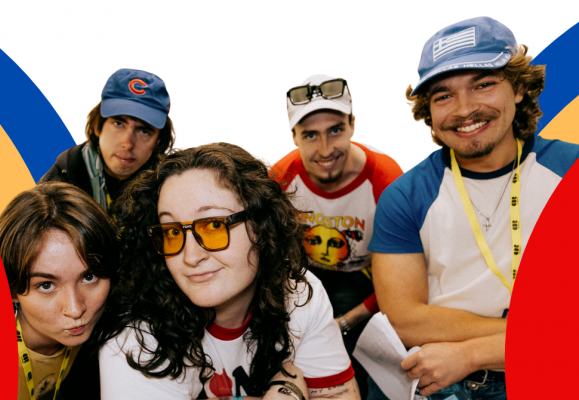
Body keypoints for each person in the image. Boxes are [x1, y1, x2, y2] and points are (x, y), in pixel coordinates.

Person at [367, 16, 579, 399]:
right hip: (439, 375)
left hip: (545, 366)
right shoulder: (405, 195)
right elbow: (404, 320)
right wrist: (543, 334)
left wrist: (473, 353)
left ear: (518, 88)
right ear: (428, 111)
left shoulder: (570, 172)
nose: (465, 109)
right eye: (443, 96)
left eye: (483, 85)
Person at [98, 143, 360, 400]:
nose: (191, 256)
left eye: (214, 225)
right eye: (172, 231)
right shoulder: (135, 340)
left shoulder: (298, 292)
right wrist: (287, 393)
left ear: (262, 225)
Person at [271, 74, 403, 396]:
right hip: (302, 275)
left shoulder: (386, 179)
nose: (325, 149)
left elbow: (402, 279)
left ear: (352, 125)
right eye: (310, 135)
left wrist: (344, 323)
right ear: (294, 137)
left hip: (368, 277)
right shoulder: (281, 178)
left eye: (335, 130)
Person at [0, 182, 119, 400]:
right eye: (46, 285)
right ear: (11, 289)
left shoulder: (108, 329)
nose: (75, 309)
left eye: (89, 277)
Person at [40, 68, 175, 211]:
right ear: (97, 126)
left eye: (144, 131)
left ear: (159, 140)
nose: (127, 144)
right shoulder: (58, 182)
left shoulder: (173, 184)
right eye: (118, 124)